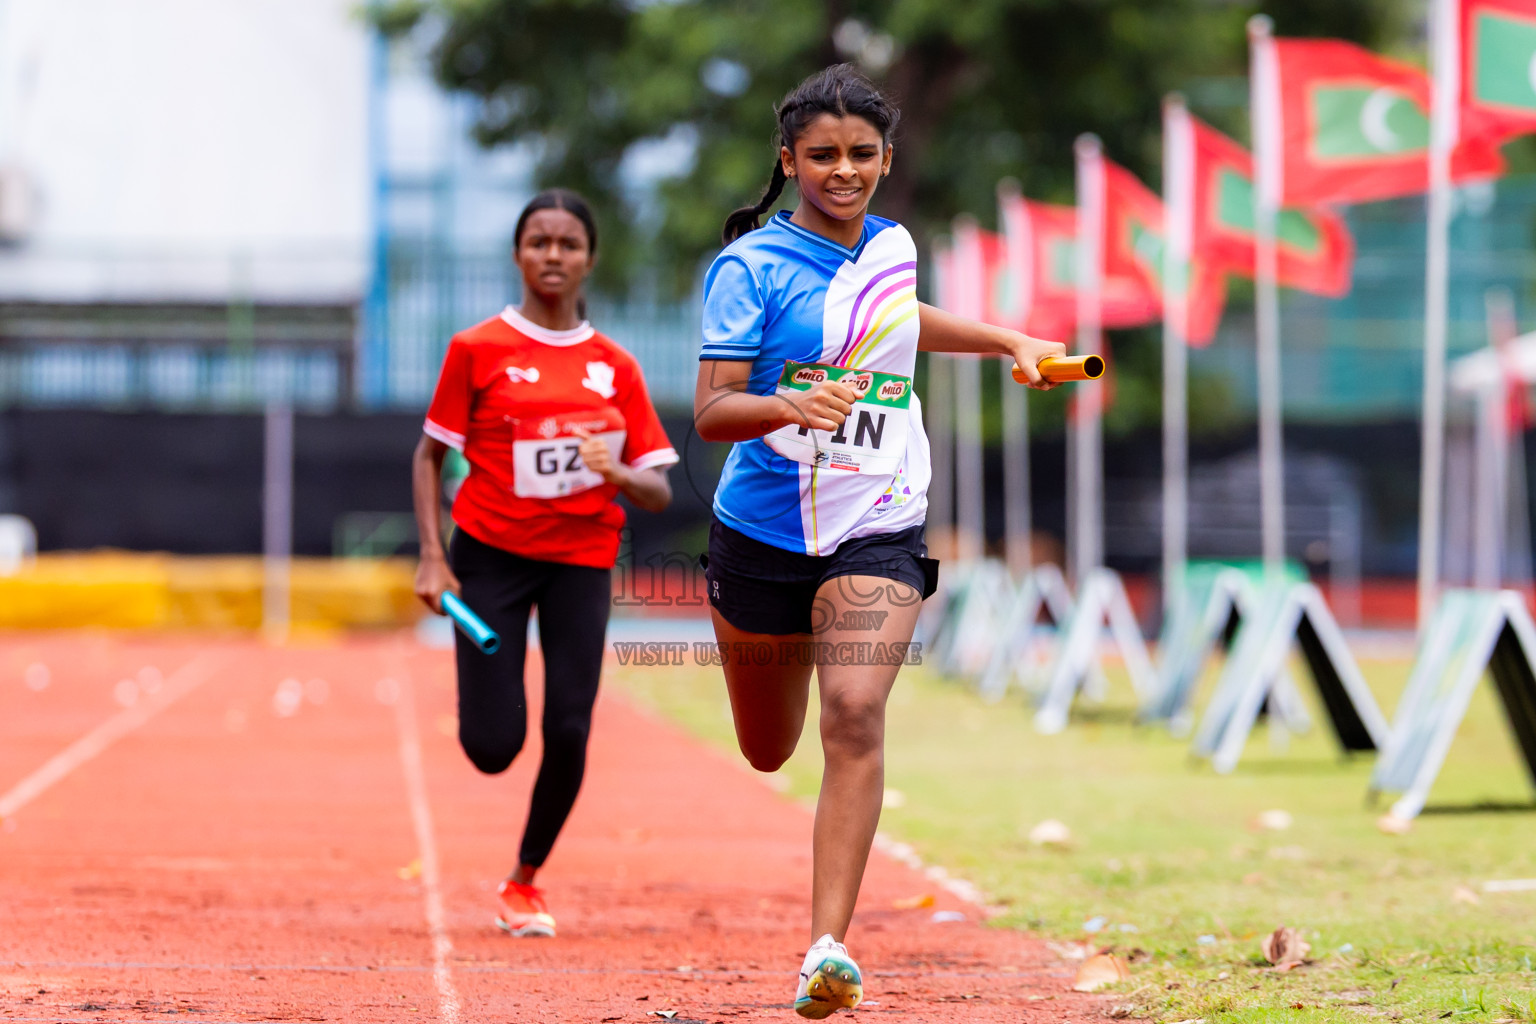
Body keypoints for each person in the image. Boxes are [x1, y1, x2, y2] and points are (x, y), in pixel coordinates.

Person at [692, 65, 1064, 1018]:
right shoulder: (750, 270)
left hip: (878, 520)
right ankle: (821, 923)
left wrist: (1007, 339)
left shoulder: (892, 248)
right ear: (790, 160)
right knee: (769, 749)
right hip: (763, 532)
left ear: (887, 158)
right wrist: (788, 401)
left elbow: (901, 326)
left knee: (854, 713)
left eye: (862, 154)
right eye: (822, 155)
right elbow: (713, 409)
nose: (843, 170)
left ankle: (828, 949)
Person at [413, 188, 678, 938]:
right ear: (518, 254)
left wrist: (618, 470)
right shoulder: (477, 349)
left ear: (589, 259)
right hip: (488, 561)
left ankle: (525, 880)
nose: (552, 255)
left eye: (567, 243)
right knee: (493, 748)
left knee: (569, 725)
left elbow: (658, 489)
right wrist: (434, 558)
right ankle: (479, 660)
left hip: (580, 562)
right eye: (538, 242)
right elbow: (430, 456)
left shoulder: (613, 367)